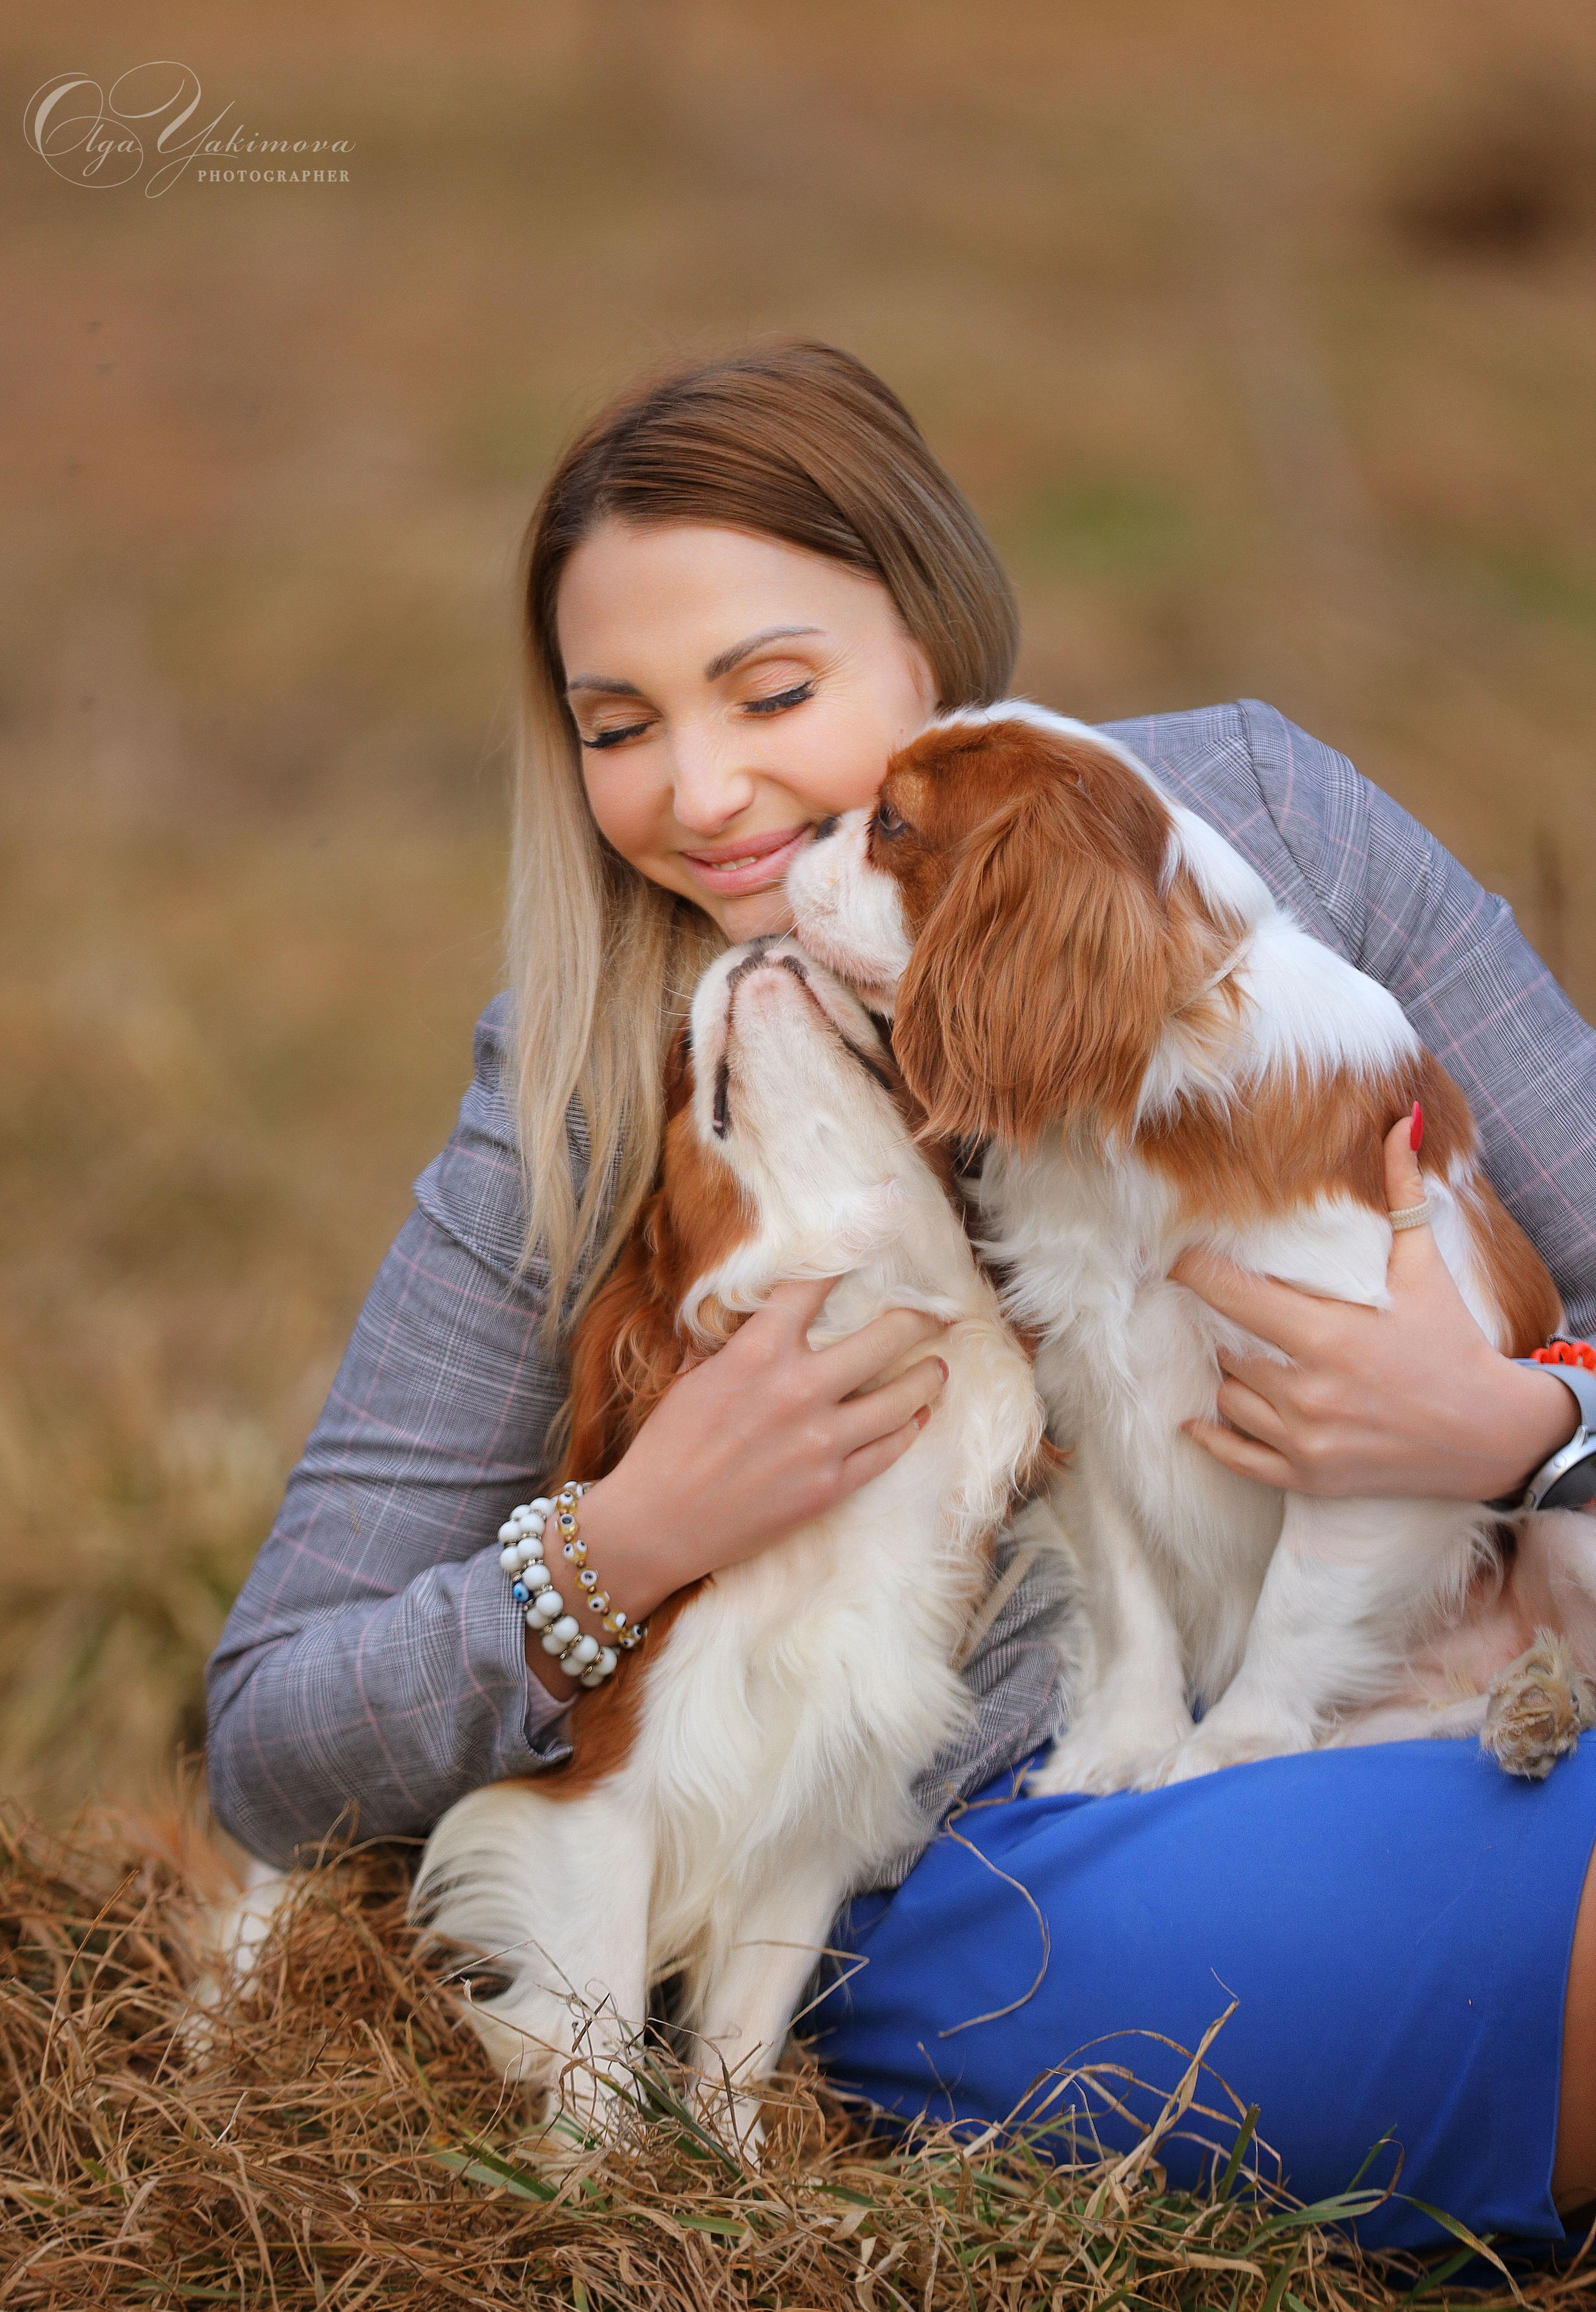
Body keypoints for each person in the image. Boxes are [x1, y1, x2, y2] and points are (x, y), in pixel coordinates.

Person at [206, 339, 1596, 2252]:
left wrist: (1529, 1421)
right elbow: (272, 1732)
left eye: (774, 691)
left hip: (1474, 1676)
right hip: (1000, 1856)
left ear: (932, 649)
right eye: (617, 725)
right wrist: (619, 1545)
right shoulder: (584, 1086)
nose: (704, 793)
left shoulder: (1264, 827)